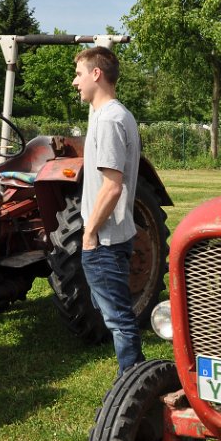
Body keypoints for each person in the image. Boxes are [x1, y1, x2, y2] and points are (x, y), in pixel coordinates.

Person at [72, 46, 145, 376]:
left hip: (104, 240)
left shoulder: (111, 120)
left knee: (119, 320)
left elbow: (112, 186)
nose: (75, 82)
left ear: (96, 74)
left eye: (79, 74)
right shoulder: (109, 116)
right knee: (114, 314)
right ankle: (134, 382)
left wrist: (89, 234)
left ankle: (131, 386)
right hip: (108, 237)